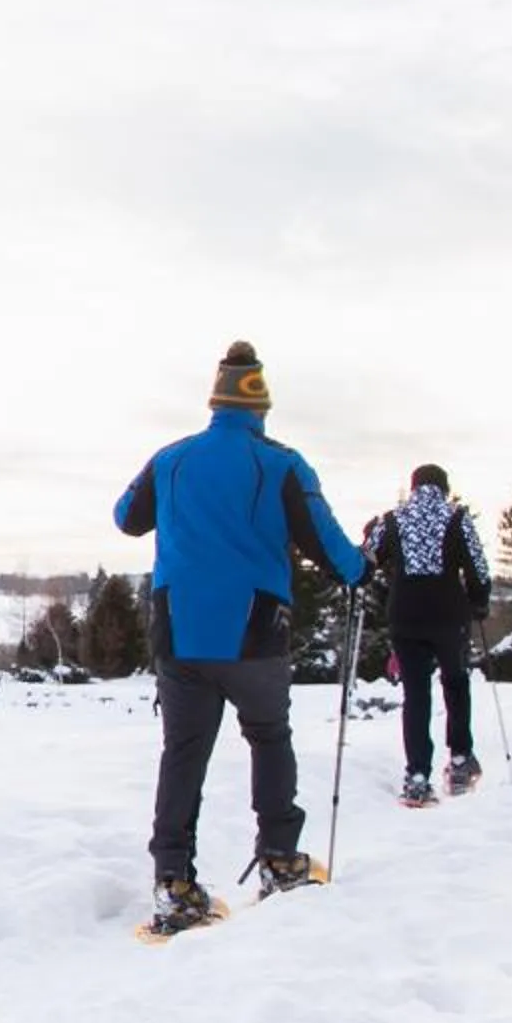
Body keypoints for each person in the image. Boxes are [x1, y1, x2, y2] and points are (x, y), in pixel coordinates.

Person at [116, 340, 366, 933]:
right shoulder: (281, 463)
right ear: (260, 407)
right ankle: (280, 859)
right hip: (254, 627)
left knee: (183, 754)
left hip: (178, 630)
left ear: (215, 401)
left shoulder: (170, 458)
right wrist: (361, 570)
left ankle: (173, 882)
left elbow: (128, 518)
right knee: (269, 737)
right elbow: (326, 543)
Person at [360, 465, 492, 804]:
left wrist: (368, 535)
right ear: (445, 488)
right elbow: (477, 566)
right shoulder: (456, 518)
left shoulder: (393, 519)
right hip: (449, 615)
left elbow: (367, 559)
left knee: (416, 694)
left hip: (406, 616)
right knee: (456, 682)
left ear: (414, 487)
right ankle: (460, 759)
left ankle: (417, 775)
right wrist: (479, 601)